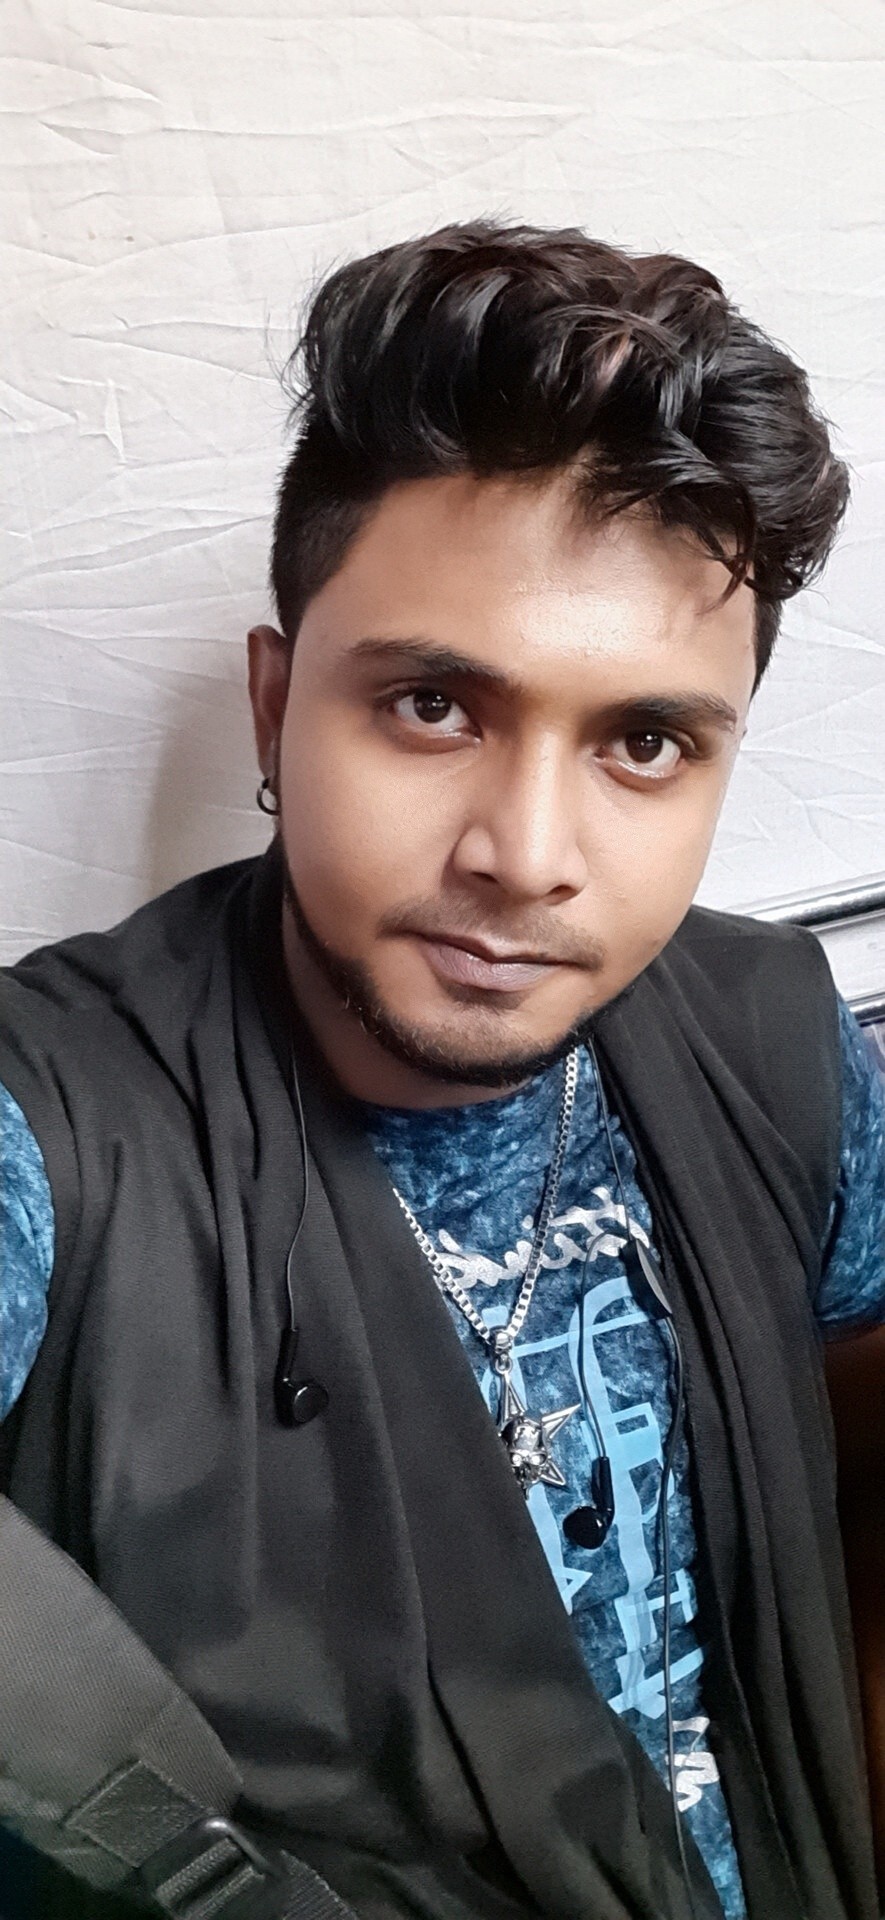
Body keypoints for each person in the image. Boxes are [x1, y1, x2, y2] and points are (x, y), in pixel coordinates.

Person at [0, 220, 883, 1920]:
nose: (527, 857)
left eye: (644, 742)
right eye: (430, 707)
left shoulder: (774, 1038)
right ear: (274, 711)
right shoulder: (64, 1120)